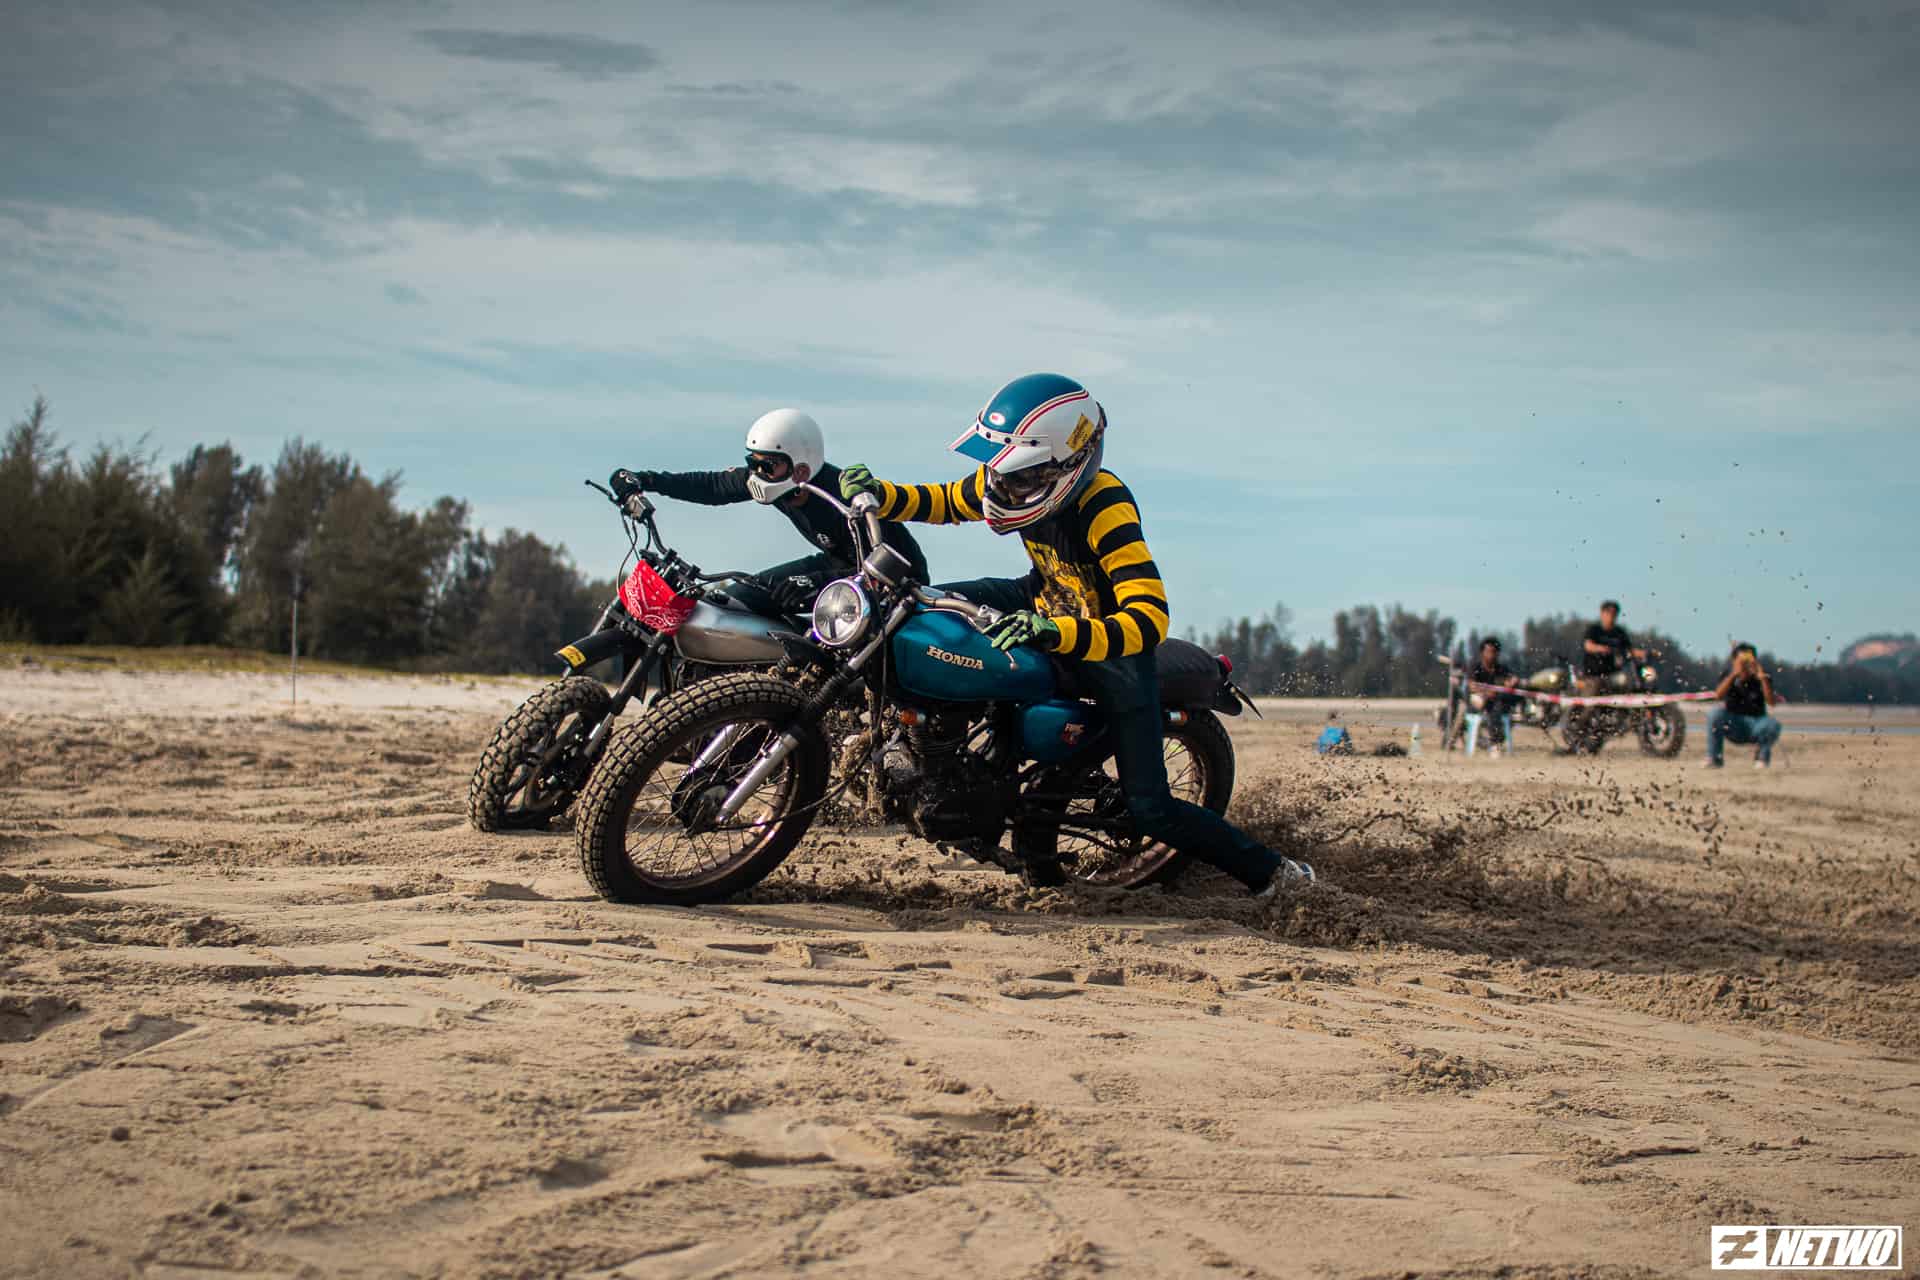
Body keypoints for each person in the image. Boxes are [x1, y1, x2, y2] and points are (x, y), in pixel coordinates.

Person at [838, 373, 1314, 898]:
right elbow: (948, 499)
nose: (1000, 488)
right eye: (998, 474)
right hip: (1043, 598)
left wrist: (1057, 631)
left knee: (1150, 807)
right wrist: (880, 494)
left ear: (1068, 464)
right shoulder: (1009, 479)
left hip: (1108, 645)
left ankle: (1276, 874)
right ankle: (929, 744)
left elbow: (1149, 618)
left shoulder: (1103, 503)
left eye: (1017, 478)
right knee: (911, 610)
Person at [608, 409, 929, 613]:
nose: (757, 473)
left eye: (767, 465)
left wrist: (813, 583)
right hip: (835, 565)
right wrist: (645, 480)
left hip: (893, 583)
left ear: (802, 470)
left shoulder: (841, 497)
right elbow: (711, 486)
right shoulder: (777, 482)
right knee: (736, 601)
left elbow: (887, 571)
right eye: (753, 463)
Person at [1707, 643, 1784, 769]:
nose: (1745, 664)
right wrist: (1734, 675)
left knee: (1772, 724)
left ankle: (1762, 758)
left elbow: (1771, 702)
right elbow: (1718, 695)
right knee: (1715, 714)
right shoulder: (1728, 675)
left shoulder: (1762, 677)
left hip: (1756, 722)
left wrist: (1762, 678)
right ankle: (1714, 758)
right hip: (1733, 722)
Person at [1465, 637, 1519, 757]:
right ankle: (1494, 743)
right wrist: (1486, 692)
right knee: (1491, 706)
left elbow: (1512, 678)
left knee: (1499, 708)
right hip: (1477, 701)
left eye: (1494, 652)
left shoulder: (1501, 669)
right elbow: (1471, 686)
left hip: (1495, 703)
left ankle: (1496, 742)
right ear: (1482, 652)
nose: (1491, 655)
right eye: (1488, 651)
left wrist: (1513, 681)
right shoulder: (1475, 667)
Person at [1580, 599, 1647, 691]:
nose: (1612, 616)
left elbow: (1629, 650)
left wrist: (1643, 653)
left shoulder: (1619, 633)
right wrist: (1600, 648)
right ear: (1602, 613)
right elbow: (1588, 645)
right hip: (1593, 675)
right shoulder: (1594, 630)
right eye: (1609, 612)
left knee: (1631, 681)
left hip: (1614, 673)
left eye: (1614, 613)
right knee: (1595, 687)